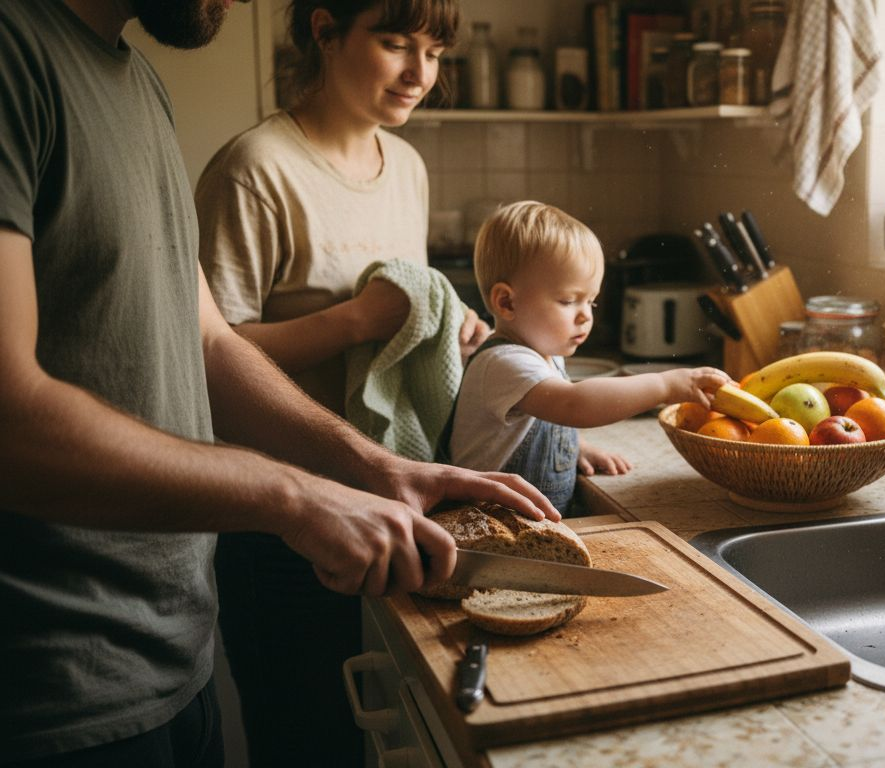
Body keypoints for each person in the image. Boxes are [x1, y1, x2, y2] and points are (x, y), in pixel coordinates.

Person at [0, 1, 557, 766]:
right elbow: (11, 422)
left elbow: (207, 342)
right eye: (397, 42)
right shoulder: (15, 56)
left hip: (171, 643)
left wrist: (374, 466)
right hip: (55, 678)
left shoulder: (138, 83)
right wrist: (295, 495)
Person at [191, 1, 498, 764]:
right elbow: (208, 356)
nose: (420, 74)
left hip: (385, 503)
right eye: (395, 43)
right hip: (281, 522)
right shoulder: (255, 168)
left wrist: (450, 328)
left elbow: (403, 338)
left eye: (434, 51)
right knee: (307, 739)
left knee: (379, 733)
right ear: (325, 31)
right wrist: (360, 319)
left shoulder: (409, 167)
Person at [444, 201, 731, 512]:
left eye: (590, 303)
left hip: (525, 526)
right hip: (488, 527)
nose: (585, 317)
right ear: (507, 303)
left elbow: (538, 422)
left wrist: (574, 449)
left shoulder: (545, 355)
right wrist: (664, 386)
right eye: (569, 301)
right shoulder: (503, 363)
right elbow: (573, 404)